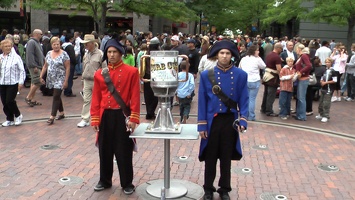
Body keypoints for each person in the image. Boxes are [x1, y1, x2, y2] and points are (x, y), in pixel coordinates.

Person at [198, 40, 248, 200]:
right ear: (216, 55)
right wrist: (202, 125)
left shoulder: (241, 75)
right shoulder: (207, 75)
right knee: (210, 157)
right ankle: (208, 188)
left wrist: (243, 119)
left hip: (230, 120)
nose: (225, 56)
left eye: (227, 53)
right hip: (212, 120)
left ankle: (224, 189)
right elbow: (202, 101)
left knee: (226, 157)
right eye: (222, 53)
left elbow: (244, 98)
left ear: (232, 55)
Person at [90, 38, 140, 195]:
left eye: (114, 52)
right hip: (105, 115)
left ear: (121, 53)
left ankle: (127, 182)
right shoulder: (100, 74)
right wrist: (95, 118)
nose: (111, 55)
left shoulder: (132, 71)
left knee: (123, 150)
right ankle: (104, 180)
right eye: (109, 52)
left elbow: (135, 96)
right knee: (104, 150)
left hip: (121, 115)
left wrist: (133, 118)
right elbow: (96, 97)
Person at [39, 37, 70, 125]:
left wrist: (66, 81)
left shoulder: (64, 54)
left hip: (60, 78)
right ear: (51, 45)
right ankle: (62, 112)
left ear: (60, 44)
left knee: (56, 96)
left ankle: (52, 116)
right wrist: (41, 76)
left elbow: (67, 68)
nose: (56, 46)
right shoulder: (49, 53)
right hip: (51, 78)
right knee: (57, 95)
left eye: (58, 44)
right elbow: (45, 66)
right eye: (54, 44)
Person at [77, 34, 106, 128]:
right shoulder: (86, 54)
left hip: (97, 81)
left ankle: (100, 118)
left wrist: (103, 80)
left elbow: (105, 68)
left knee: (99, 100)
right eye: (84, 44)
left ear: (93, 43)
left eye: (87, 44)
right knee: (86, 100)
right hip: (86, 80)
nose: (85, 46)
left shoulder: (100, 54)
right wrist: (82, 79)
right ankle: (85, 119)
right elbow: (84, 67)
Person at [0, 39, 26, 126]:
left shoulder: (16, 57)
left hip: (13, 82)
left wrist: (21, 82)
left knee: (10, 101)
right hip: (2, 83)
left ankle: (18, 115)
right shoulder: (0, 57)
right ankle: (9, 119)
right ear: (2, 47)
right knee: (4, 102)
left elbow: (22, 70)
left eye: (9, 46)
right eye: (6, 46)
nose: (8, 48)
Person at [239, 45, 266, 121]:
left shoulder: (244, 59)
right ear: (254, 51)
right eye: (257, 50)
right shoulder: (257, 59)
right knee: (252, 99)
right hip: (254, 80)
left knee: (246, 98)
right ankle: (251, 116)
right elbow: (263, 66)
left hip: (245, 80)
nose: (258, 52)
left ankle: (244, 114)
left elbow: (239, 68)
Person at [260, 43, 283, 116]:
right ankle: (269, 110)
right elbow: (279, 69)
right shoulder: (277, 57)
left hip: (266, 76)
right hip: (273, 78)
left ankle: (263, 108)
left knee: (266, 93)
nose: (281, 50)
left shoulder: (269, 55)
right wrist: (282, 77)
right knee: (271, 94)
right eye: (281, 49)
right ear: (278, 48)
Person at [25, 29, 45, 107]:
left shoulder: (37, 43)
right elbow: (30, 55)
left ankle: (32, 99)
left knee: (34, 83)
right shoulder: (31, 42)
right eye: (41, 34)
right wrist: (34, 66)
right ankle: (28, 97)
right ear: (36, 34)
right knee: (38, 81)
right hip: (35, 66)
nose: (42, 35)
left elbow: (40, 54)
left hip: (38, 66)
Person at [142, 37, 159, 119]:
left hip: (147, 75)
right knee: (156, 95)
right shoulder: (159, 53)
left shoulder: (146, 53)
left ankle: (149, 112)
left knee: (147, 95)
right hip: (157, 76)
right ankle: (151, 112)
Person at [293, 45, 312, 121]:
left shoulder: (304, 56)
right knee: (300, 97)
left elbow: (309, 65)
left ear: (299, 49)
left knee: (301, 98)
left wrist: (301, 72)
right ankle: (299, 114)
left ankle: (302, 116)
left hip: (303, 79)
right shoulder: (301, 57)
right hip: (301, 79)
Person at [315, 58, 337, 123]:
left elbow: (335, 80)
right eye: (326, 62)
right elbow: (322, 77)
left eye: (329, 62)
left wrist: (326, 83)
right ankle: (321, 114)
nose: (327, 63)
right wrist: (321, 81)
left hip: (329, 89)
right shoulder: (325, 70)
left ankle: (326, 115)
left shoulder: (333, 71)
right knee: (321, 102)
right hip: (323, 88)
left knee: (326, 103)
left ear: (331, 63)